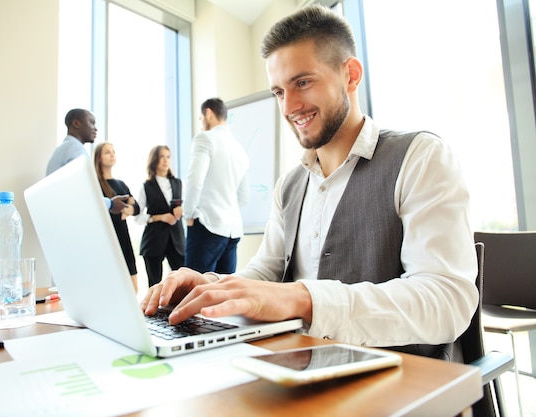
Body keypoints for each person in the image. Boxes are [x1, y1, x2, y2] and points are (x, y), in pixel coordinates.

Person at [142, 5, 479, 361]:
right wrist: (213, 286)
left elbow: (448, 301)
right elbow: (267, 272)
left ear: (350, 75)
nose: (290, 106)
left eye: (302, 82)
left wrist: (303, 299)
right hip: (301, 367)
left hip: (400, 381)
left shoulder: (421, 157)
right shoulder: (289, 185)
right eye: (278, 92)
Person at [182, 98, 250, 274]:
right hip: (232, 231)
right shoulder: (239, 149)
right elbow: (243, 197)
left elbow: (194, 180)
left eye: (201, 118)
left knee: (194, 290)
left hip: (208, 225)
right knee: (222, 293)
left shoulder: (205, 138)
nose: (201, 122)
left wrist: (188, 213)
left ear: (208, 113)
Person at [47, 108, 126, 215]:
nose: (96, 129)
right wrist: (111, 204)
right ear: (76, 123)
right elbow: (82, 192)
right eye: (92, 123)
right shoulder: (75, 149)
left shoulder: (63, 149)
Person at [134, 145, 185, 288]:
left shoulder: (179, 184)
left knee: (182, 283)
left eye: (168, 157)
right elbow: (137, 217)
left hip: (177, 241)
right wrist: (159, 217)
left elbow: (189, 209)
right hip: (153, 241)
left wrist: (183, 210)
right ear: (154, 160)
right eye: (162, 156)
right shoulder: (146, 186)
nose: (165, 160)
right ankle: (154, 310)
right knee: (154, 284)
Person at [93, 142, 140, 292]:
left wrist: (126, 210)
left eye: (113, 151)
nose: (112, 154)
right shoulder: (95, 184)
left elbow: (136, 207)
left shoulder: (121, 184)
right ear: (98, 158)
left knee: (133, 289)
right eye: (107, 152)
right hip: (105, 238)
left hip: (123, 237)